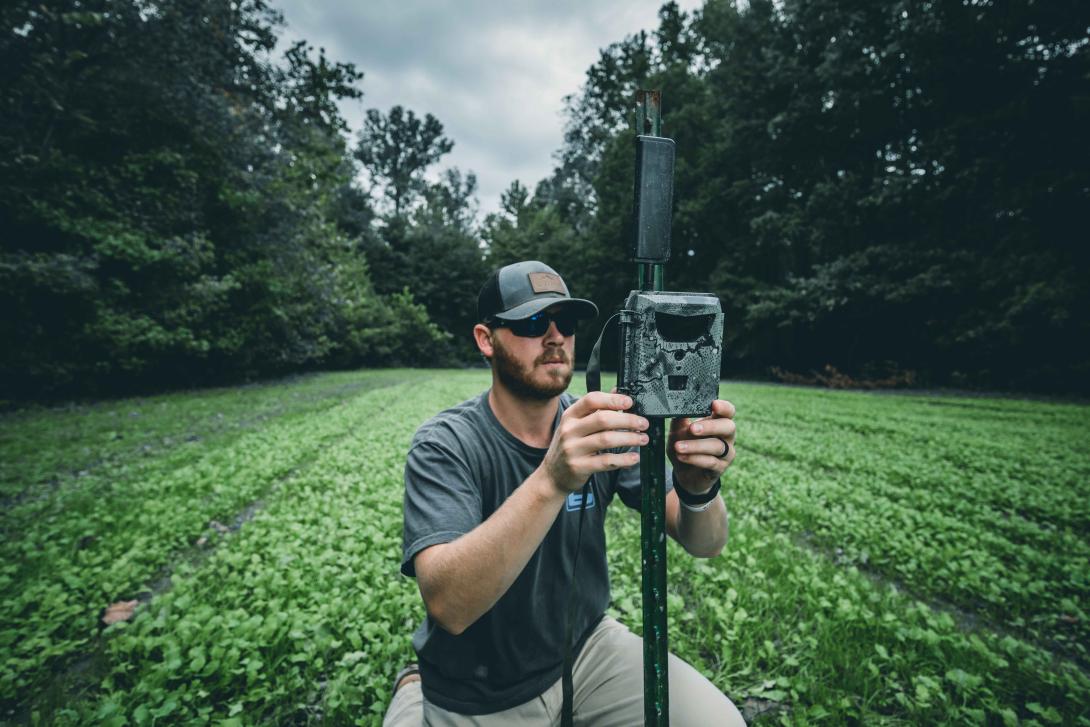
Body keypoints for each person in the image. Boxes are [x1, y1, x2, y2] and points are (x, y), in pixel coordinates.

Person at [383, 260, 745, 726]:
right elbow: (449, 606)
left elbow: (705, 542)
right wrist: (552, 479)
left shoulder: (600, 428)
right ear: (485, 339)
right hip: (481, 684)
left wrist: (698, 487)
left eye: (566, 322)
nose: (555, 337)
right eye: (533, 322)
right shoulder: (446, 444)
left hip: (584, 647)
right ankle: (413, 689)